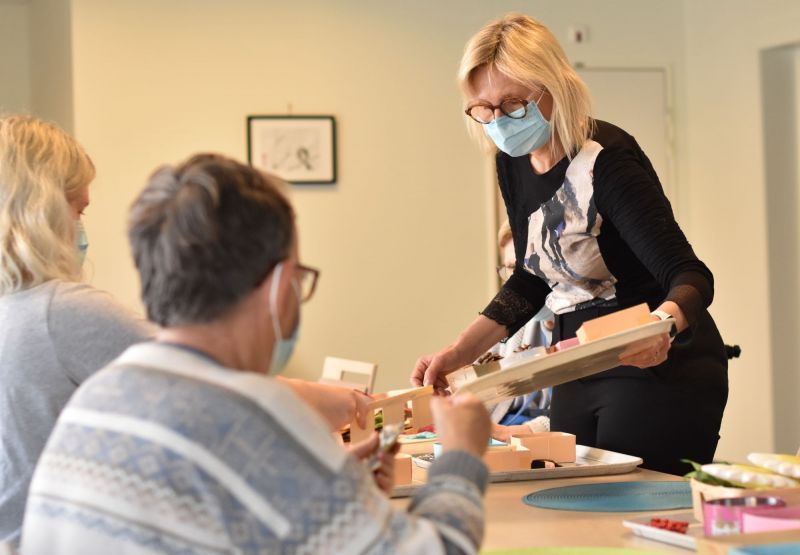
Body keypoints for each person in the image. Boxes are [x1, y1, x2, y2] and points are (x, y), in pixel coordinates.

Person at [22, 154, 492, 554]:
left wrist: (327, 497)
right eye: (298, 278)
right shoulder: (253, 413)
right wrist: (460, 456)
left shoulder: (93, 400)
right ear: (278, 287)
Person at [411, 14, 728, 476]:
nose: (499, 121)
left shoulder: (607, 161)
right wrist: (458, 354)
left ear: (554, 88)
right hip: (577, 360)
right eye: (484, 108)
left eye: (513, 104)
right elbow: (530, 277)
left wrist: (662, 327)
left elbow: (690, 275)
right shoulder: (513, 163)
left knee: (628, 512)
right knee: (566, 496)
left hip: (658, 364)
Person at [0, 115, 155, 545]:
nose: (81, 228)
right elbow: (214, 388)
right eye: (78, 209)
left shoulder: (10, 309)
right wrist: (329, 401)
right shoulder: (60, 312)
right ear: (41, 209)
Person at [490, 220, 553, 442]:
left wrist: (512, 433)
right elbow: (480, 373)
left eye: (524, 272)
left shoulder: (583, 324)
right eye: (509, 270)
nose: (516, 286)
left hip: (544, 439)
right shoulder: (512, 325)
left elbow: (579, 415)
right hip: (503, 428)